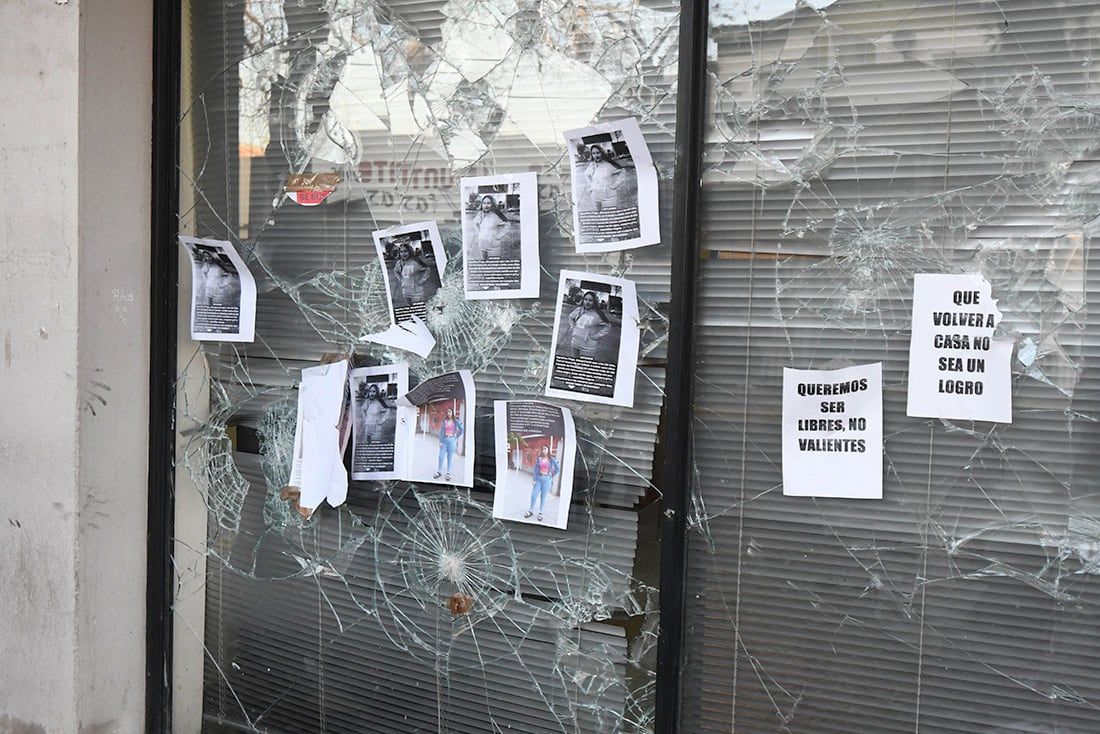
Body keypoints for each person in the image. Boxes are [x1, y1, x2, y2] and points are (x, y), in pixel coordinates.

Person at [567, 290, 613, 358]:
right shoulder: (579, 310)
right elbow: (570, 317)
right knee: (575, 363)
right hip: (575, 342)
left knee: (586, 366)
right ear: (583, 300)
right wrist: (573, 327)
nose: (587, 302)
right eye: (585, 299)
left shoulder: (598, 314)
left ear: (594, 302)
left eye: (590, 300)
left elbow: (608, 325)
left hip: (588, 346)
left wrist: (598, 335)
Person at [583, 144, 625, 212]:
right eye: (593, 153)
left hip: (608, 195)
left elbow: (622, 171)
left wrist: (615, 185)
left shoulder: (609, 164)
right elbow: (586, 175)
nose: (596, 155)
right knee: (597, 214)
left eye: (598, 153)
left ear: (602, 153)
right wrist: (592, 185)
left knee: (610, 214)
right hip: (595, 195)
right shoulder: (592, 164)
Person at [524, 444, 560, 522]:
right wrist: (534, 479)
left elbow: (557, 468)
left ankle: (541, 512)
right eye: (543, 449)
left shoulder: (552, 459)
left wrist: (552, 474)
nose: (544, 450)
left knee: (543, 497)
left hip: (547, 480)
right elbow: (535, 470)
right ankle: (530, 510)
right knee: (533, 495)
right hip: (539, 479)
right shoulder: (539, 459)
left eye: (545, 449)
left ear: (548, 450)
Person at [392, 241, 431, 310]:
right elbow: (395, 271)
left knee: (419, 307)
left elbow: (427, 269)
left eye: (405, 251)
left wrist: (422, 280)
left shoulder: (415, 262)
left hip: (416, 289)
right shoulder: (399, 263)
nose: (403, 254)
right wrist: (400, 279)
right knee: (410, 307)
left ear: (409, 252)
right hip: (405, 289)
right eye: (401, 252)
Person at [471, 194, 510, 260]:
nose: (486, 205)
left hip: (494, 247)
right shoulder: (480, 214)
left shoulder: (496, 215)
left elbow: (507, 224)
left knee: (493, 266)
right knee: (484, 264)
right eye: (484, 203)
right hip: (482, 245)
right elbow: (474, 223)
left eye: (488, 203)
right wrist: (478, 233)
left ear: (492, 204)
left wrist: (499, 236)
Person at [433, 407, 463, 482]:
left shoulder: (456, 421)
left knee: (450, 457)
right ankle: (439, 471)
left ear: (452, 413)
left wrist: (456, 436)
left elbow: (461, 429)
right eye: (447, 412)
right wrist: (440, 441)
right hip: (444, 440)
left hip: (452, 441)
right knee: (441, 456)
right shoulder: (444, 421)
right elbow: (441, 432)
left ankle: (448, 473)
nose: (448, 413)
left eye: (450, 412)